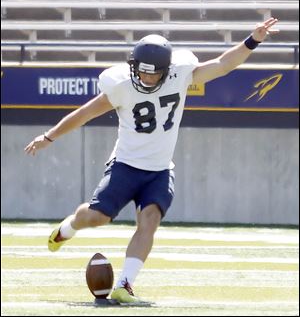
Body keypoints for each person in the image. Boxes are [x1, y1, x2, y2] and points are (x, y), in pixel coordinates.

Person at [24, 17, 279, 304]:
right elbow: (84, 113)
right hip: (126, 165)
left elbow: (223, 64)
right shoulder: (122, 85)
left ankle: (125, 284)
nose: (145, 78)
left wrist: (252, 40)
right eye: (141, 72)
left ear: (166, 71)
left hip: (159, 169)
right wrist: (49, 136)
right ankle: (68, 227)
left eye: (152, 73)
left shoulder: (181, 74)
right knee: (97, 217)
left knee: (150, 220)